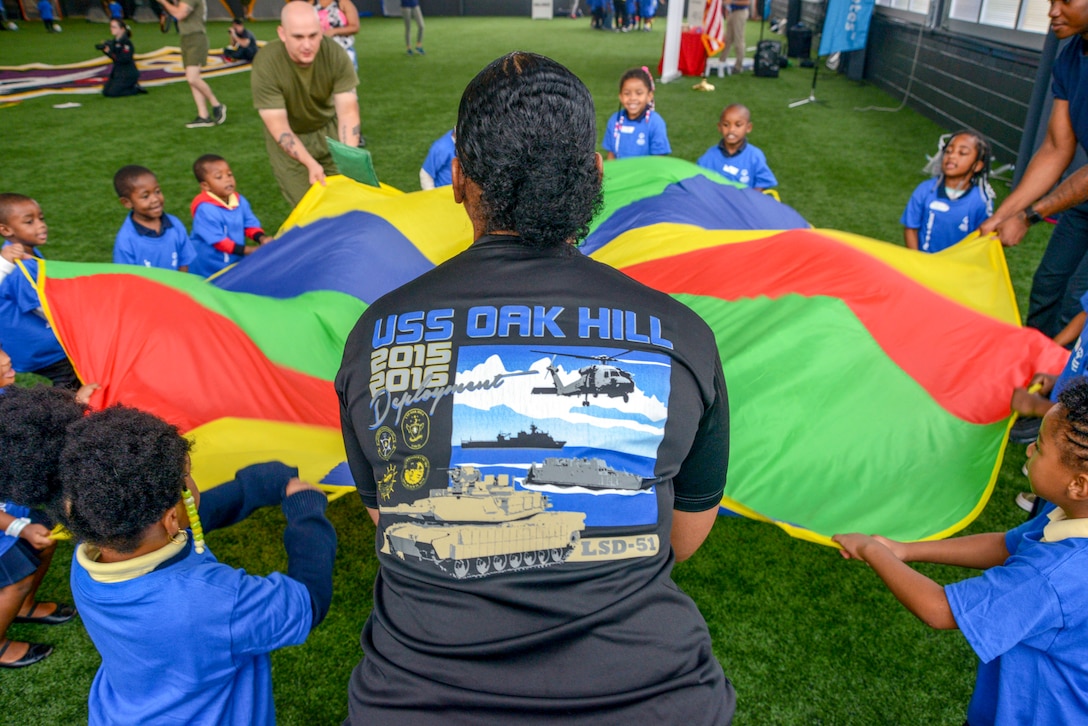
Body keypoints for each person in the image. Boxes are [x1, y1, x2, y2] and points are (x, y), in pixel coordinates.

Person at [337, 51, 735, 724]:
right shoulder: (683, 335)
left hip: (417, 700)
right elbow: (682, 537)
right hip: (655, 699)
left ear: (459, 178)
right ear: (595, 173)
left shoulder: (381, 336)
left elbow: (393, 519)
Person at [6, 400, 337, 724]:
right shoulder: (213, 602)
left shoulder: (92, 559)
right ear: (169, 520)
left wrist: (255, 485)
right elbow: (308, 601)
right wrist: (306, 513)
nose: (192, 484)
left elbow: (191, 519)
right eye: (186, 479)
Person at [835, 378, 1088, 725]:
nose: (1029, 450)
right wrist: (905, 550)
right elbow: (1005, 545)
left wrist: (872, 550)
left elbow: (940, 610)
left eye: (1040, 447)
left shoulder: (1055, 576)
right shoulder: (1068, 514)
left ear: (1079, 484)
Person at [979, 0, 1088, 337]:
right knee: (1047, 286)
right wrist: (1002, 215)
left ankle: (1060, 387)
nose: (1053, 11)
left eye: (1066, 1)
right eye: (1050, 1)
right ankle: (1032, 372)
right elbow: (1056, 148)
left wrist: (1028, 216)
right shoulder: (1069, 57)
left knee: (1076, 304)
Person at [0, 377, 84, 669]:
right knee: (17, 580)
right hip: (5, 526)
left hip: (13, 509)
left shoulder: (5, 394)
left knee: (44, 547)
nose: (5, 359)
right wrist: (19, 528)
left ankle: (23, 607)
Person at [252, 1, 361, 208]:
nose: (307, 45)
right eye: (298, 37)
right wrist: (310, 163)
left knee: (347, 203)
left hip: (330, 131)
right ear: (282, 33)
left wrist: (348, 158)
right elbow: (278, 126)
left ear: (321, 31)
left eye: (313, 35)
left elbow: (348, 112)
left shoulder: (336, 54)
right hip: (291, 137)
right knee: (309, 211)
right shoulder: (266, 63)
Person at [0, 194, 80, 390]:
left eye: (41, 218)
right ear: (6, 230)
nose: (40, 225)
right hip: (40, 347)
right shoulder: (19, 265)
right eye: (29, 221)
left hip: (36, 343)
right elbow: (41, 307)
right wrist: (79, 322)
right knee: (72, 382)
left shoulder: (24, 252)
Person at [901, 131, 993, 253]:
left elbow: (980, 240)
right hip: (922, 266)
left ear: (977, 166)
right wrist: (916, 260)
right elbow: (911, 228)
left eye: (962, 153)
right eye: (948, 151)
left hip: (956, 268)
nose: (952, 156)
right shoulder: (925, 190)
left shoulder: (981, 200)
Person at [188, 154, 268, 277]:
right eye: (219, 177)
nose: (227, 180)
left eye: (229, 174)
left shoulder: (239, 201)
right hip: (207, 267)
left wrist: (262, 238)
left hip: (233, 260)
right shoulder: (205, 210)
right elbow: (219, 242)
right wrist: (250, 250)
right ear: (206, 186)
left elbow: (249, 224)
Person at [155, 0, 226, 128]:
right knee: (193, 79)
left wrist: (164, 2)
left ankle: (216, 104)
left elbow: (179, 15)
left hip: (195, 38)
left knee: (192, 78)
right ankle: (203, 115)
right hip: (187, 38)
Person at [112, 165, 196, 272]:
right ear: (127, 202)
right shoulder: (126, 240)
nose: (155, 199)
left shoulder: (175, 224)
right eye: (145, 196)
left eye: (157, 191)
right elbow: (127, 279)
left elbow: (184, 263)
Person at [696, 103, 777, 191]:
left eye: (738, 125)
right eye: (726, 125)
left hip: (743, 204)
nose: (731, 130)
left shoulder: (755, 156)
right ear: (719, 127)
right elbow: (697, 179)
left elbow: (763, 182)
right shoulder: (710, 155)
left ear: (748, 127)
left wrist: (752, 198)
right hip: (716, 203)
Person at [602, 67, 670, 160]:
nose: (632, 98)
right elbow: (611, 155)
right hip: (620, 174)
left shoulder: (655, 122)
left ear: (649, 96)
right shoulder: (614, 120)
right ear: (620, 96)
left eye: (639, 93)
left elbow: (658, 159)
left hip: (647, 173)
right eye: (627, 93)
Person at [96, 19, 146, 98]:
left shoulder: (126, 43)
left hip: (127, 73)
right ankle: (129, 86)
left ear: (122, 29)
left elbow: (124, 59)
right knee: (106, 92)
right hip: (118, 72)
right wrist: (105, 50)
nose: (111, 29)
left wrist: (109, 52)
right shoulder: (115, 42)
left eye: (114, 27)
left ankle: (135, 89)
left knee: (113, 93)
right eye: (111, 27)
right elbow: (115, 57)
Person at [313, 0, 359, 68]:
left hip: (343, 49)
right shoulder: (311, 4)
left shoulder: (344, 3)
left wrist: (334, 31)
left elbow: (355, 27)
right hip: (319, 52)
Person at [721, 0, 748, 74]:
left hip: (739, 12)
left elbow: (746, 2)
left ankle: (738, 65)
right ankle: (722, 60)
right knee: (727, 39)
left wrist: (732, 2)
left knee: (738, 39)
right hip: (732, 12)